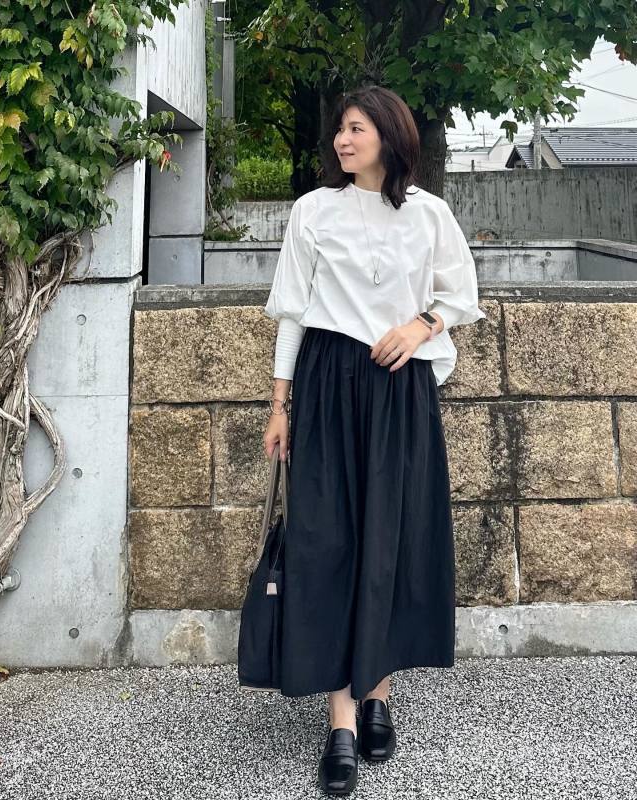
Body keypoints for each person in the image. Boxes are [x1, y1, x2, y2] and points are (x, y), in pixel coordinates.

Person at [261, 84, 486, 796]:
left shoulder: (429, 213)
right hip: (327, 385)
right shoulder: (313, 210)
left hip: (398, 392)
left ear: (389, 135)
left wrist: (420, 325)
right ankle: (341, 723)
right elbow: (293, 312)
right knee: (328, 542)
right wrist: (280, 405)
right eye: (340, 130)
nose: (343, 140)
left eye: (356, 128)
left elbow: (461, 295)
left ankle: (378, 693)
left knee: (389, 539)